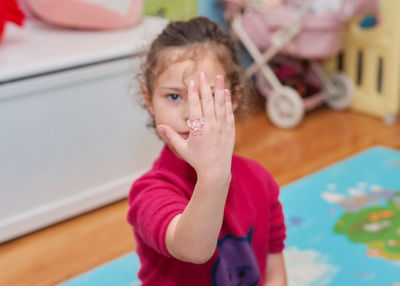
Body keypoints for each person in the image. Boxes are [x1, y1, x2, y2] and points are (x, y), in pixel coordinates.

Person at [127, 16, 287, 286]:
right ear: (149, 100)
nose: (192, 114)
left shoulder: (261, 180)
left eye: (208, 96)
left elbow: (274, 271)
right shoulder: (150, 192)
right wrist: (213, 176)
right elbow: (194, 249)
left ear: (233, 98)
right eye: (175, 96)